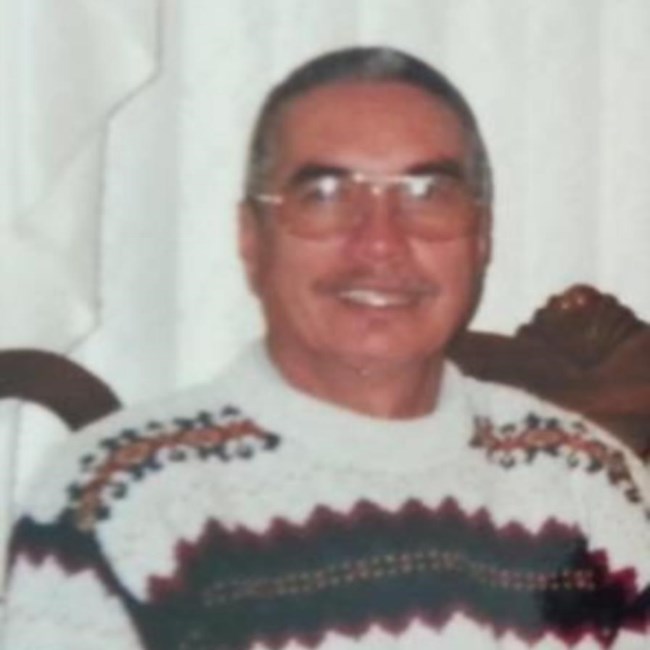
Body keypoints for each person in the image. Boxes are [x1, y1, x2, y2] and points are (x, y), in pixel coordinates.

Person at [4, 47, 649, 650]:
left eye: (426, 194)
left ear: (480, 238)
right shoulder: (120, 500)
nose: (380, 242)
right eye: (325, 196)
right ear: (252, 238)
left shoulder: (581, 478)